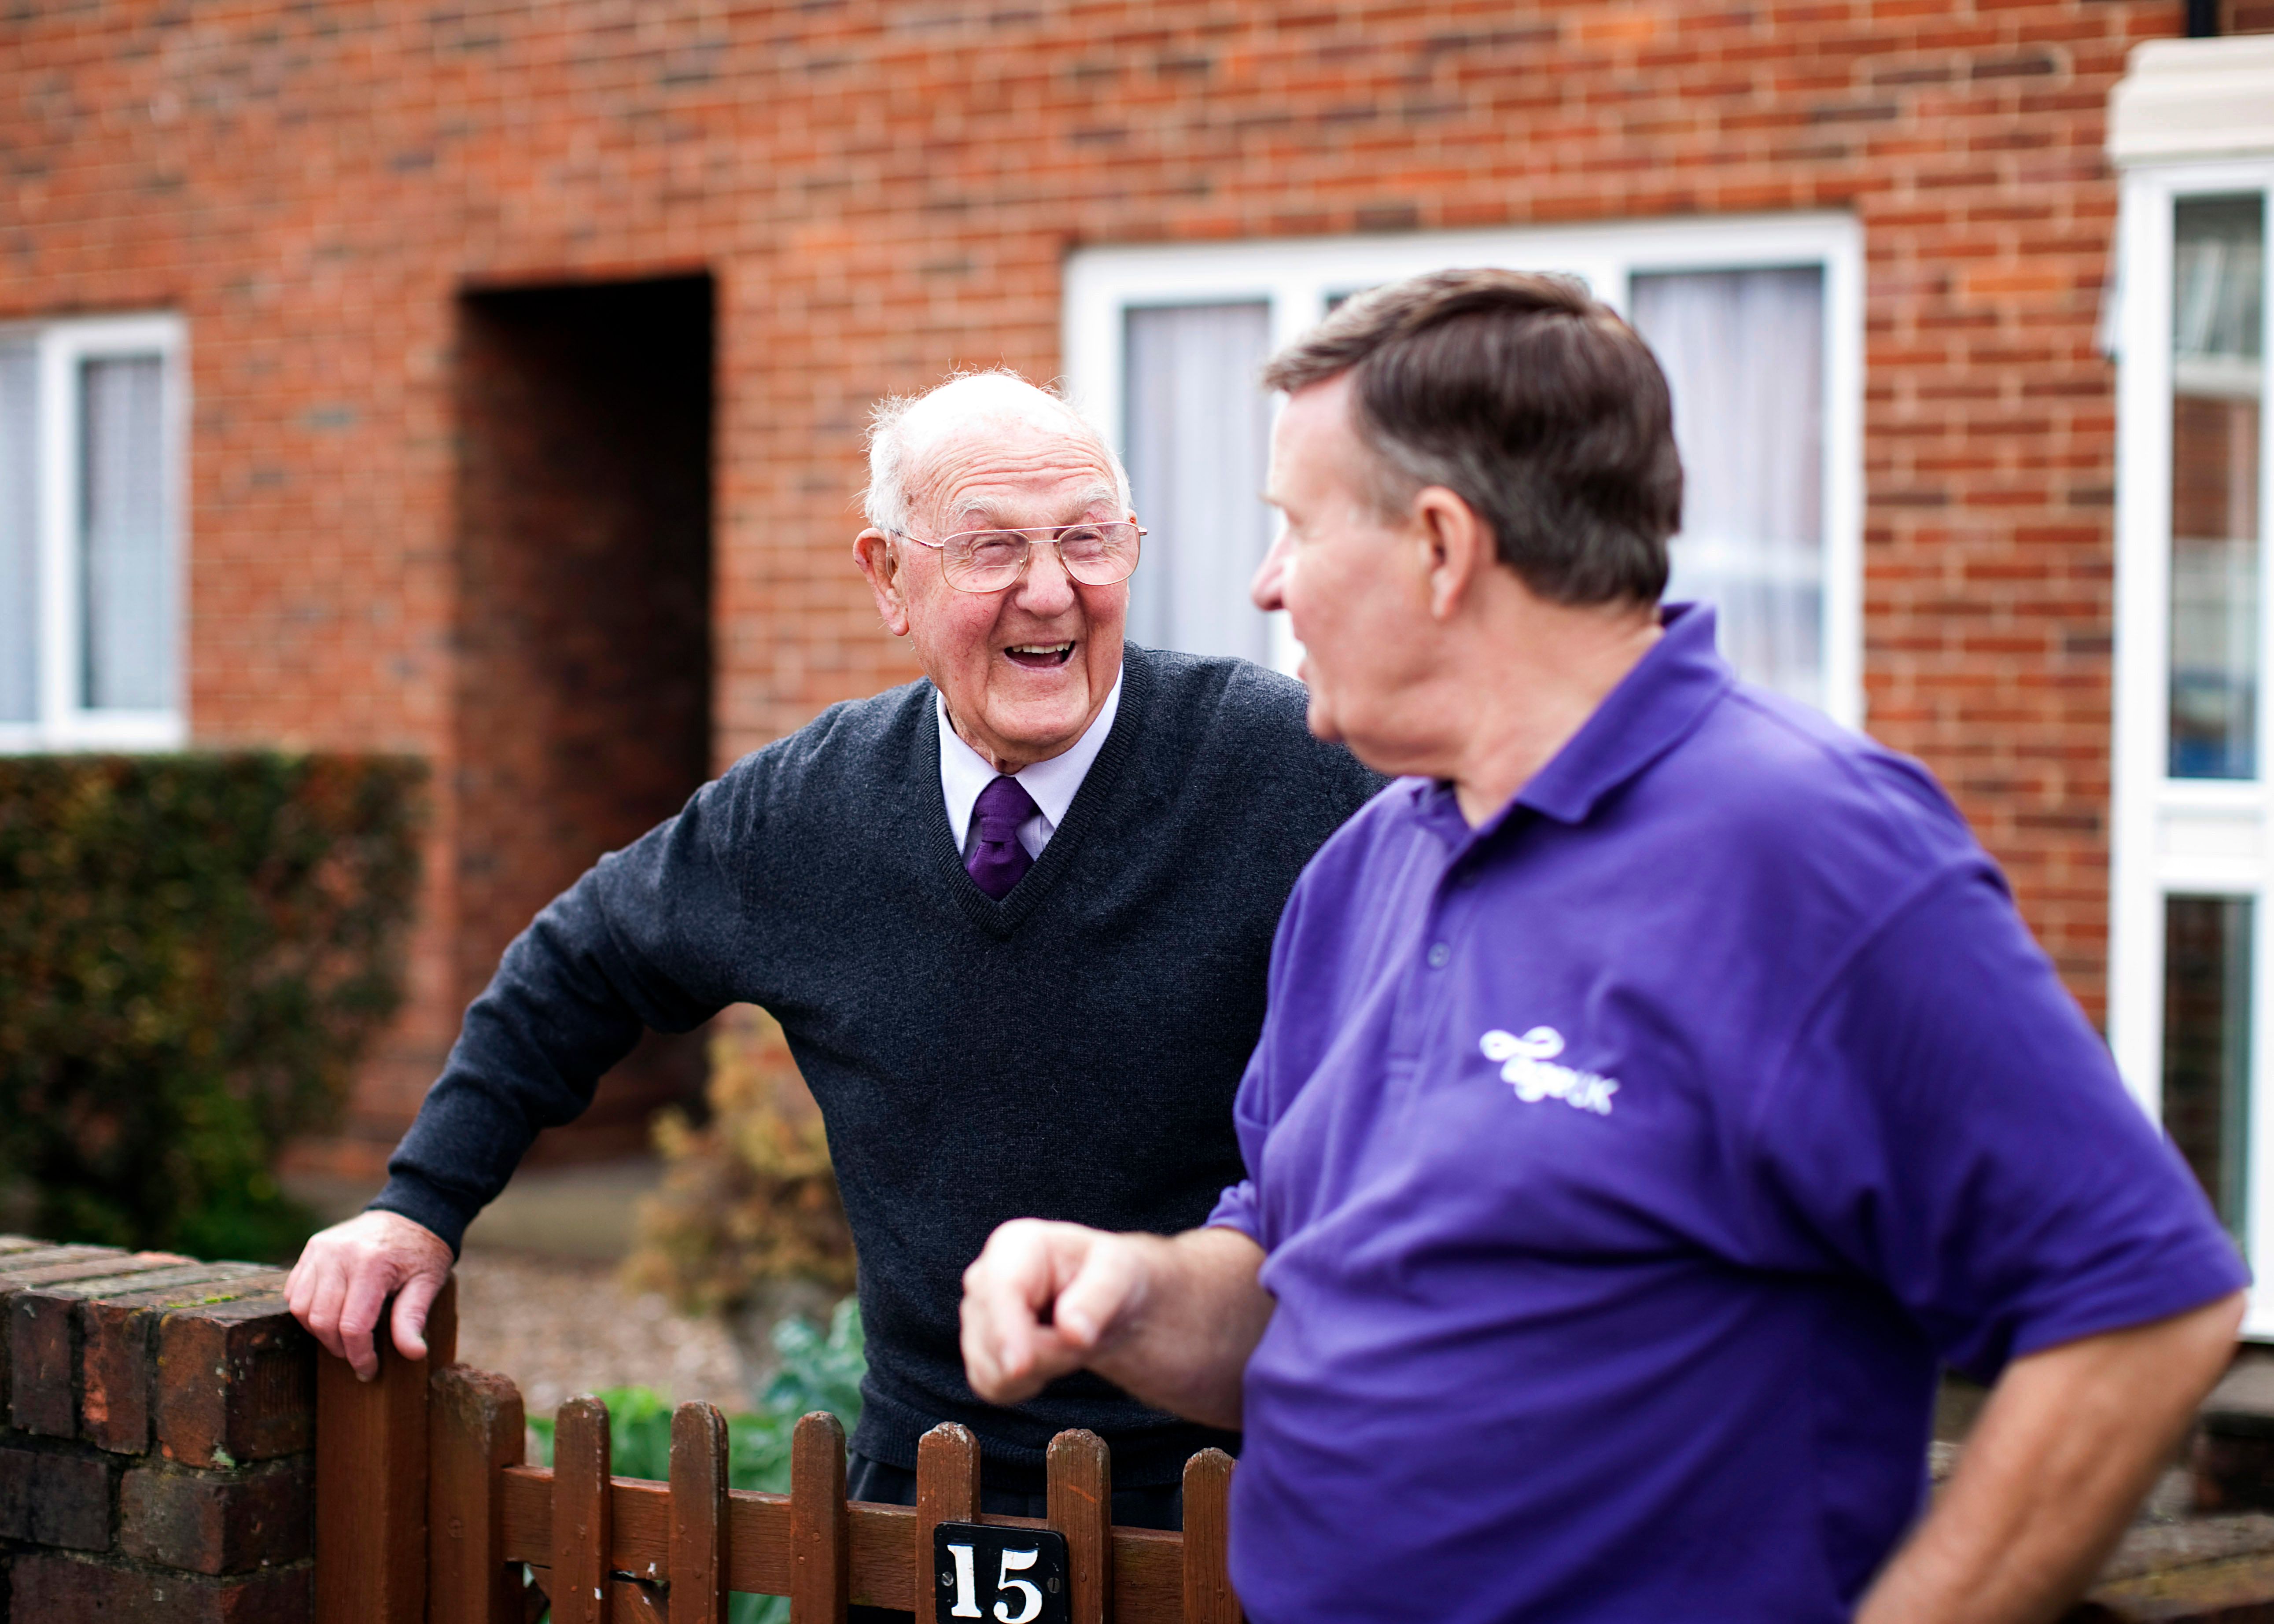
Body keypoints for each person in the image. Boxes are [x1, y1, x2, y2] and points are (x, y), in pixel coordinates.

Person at [959, 271, 2250, 1624]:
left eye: (1295, 525)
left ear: (1443, 546)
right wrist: (1130, 1291)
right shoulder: (1363, 868)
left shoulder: (1811, 849)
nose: (1267, 583)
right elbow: (1299, 1285)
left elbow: (2143, 1308)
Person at [285, 371, 1382, 1547]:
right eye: (992, 546)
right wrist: (420, 1206)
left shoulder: (1293, 769)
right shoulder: (807, 808)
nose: (1052, 589)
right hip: (924, 1489)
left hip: (1236, 1486)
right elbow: (581, 961)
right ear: (886, 577)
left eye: (1087, 538)